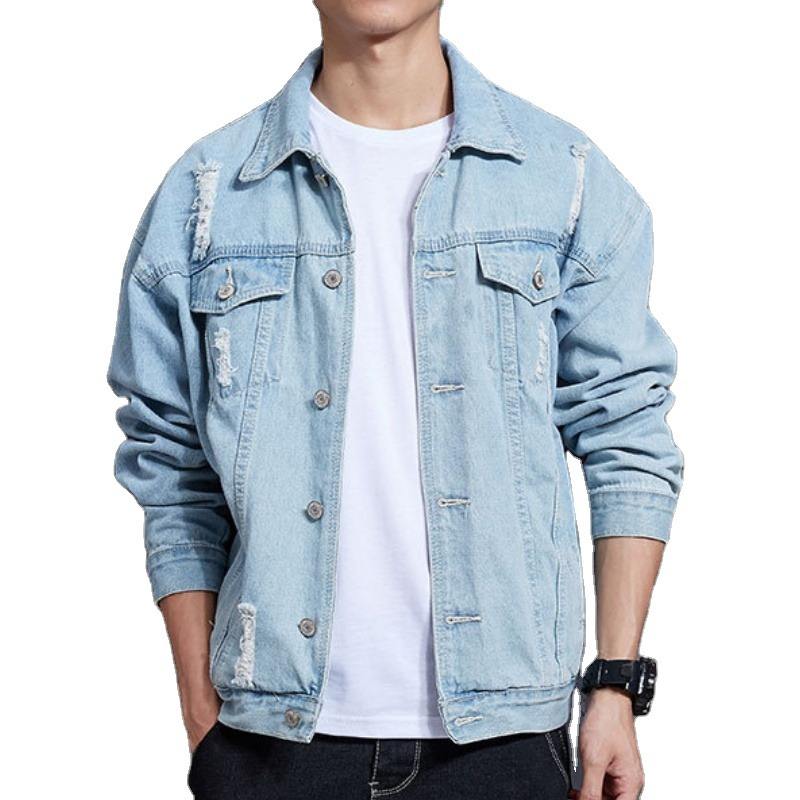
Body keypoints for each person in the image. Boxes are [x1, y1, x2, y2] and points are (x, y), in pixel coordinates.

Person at [108, 2, 683, 798]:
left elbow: (626, 433)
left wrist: (615, 685)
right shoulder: (208, 195)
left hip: (504, 742)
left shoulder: (565, 180)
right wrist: (202, 711)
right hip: (271, 744)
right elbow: (170, 465)